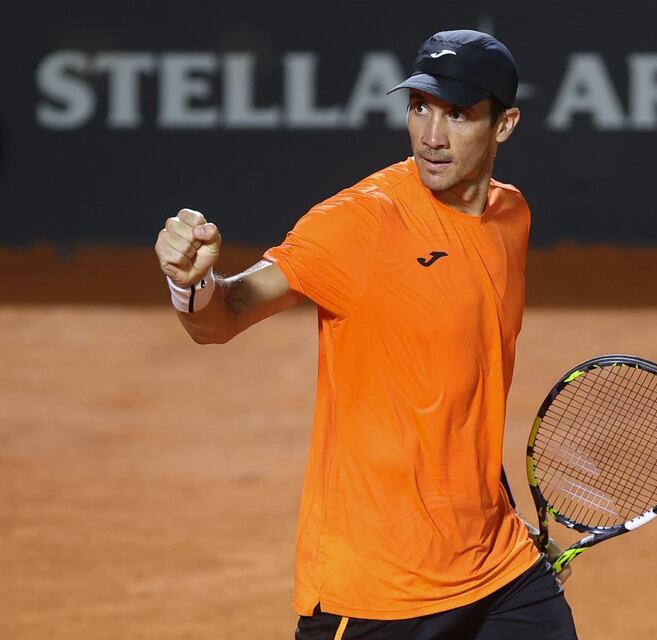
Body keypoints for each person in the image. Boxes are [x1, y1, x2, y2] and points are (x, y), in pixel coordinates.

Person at [154, 29, 577, 639]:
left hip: (498, 566)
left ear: (503, 125)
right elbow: (223, 316)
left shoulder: (512, 217)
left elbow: (463, 396)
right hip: (379, 589)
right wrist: (191, 283)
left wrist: (499, 516)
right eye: (419, 108)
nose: (431, 136)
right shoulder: (362, 221)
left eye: (457, 115)